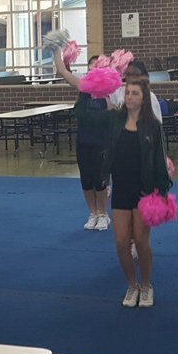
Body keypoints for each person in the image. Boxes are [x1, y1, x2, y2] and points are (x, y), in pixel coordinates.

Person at [107, 79, 172, 308]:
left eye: (135, 93)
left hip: (144, 189)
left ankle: (146, 285)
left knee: (142, 241)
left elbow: (159, 160)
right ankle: (131, 284)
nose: (130, 97)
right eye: (127, 93)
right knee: (121, 241)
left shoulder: (152, 126)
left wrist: (162, 190)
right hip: (121, 188)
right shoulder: (115, 121)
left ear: (143, 98)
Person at [53, 49, 112, 231]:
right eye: (91, 66)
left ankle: (103, 214)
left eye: (97, 66)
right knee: (86, 179)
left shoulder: (110, 91)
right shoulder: (82, 87)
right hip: (84, 140)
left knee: (100, 180)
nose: (93, 69)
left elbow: (116, 113)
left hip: (102, 142)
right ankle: (92, 212)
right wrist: (55, 49)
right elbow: (63, 71)